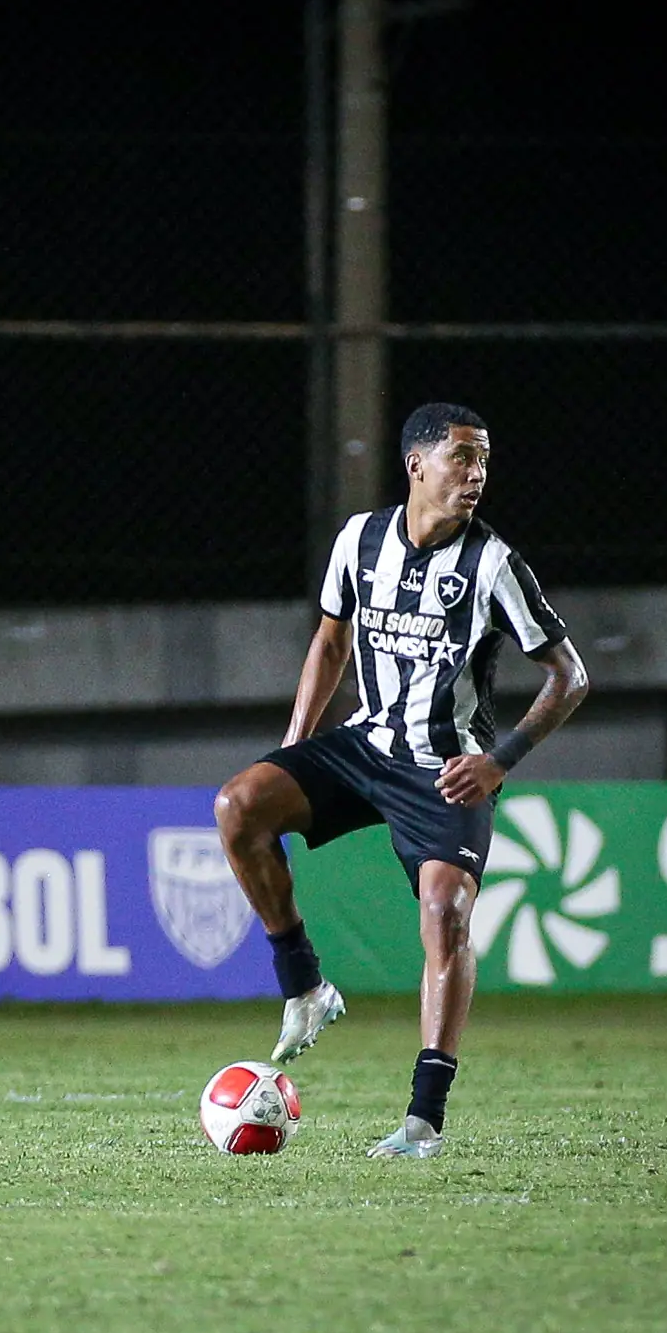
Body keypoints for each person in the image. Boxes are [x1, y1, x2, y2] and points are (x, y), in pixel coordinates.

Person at [213, 402, 589, 1158]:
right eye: (463, 457)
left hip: (446, 769)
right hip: (363, 746)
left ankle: (423, 1120)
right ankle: (305, 986)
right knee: (239, 804)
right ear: (417, 465)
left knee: (446, 912)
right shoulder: (359, 540)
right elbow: (330, 642)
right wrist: (293, 751)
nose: (477, 474)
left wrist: (499, 760)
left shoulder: (493, 564)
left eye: (484, 460)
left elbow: (569, 674)